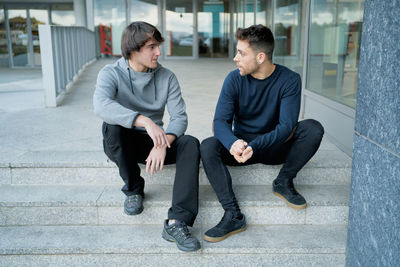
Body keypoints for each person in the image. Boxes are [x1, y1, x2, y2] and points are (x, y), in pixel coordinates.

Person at [200, 24, 324, 243]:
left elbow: (287, 127)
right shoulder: (234, 79)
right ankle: (233, 214)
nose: (235, 58)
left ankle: (284, 181)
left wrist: (254, 146)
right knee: (208, 145)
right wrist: (233, 143)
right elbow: (220, 121)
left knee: (313, 128)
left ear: (260, 57)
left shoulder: (289, 80)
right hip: (240, 150)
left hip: (274, 147)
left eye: (241, 53)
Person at [93, 21, 200, 252]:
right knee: (112, 127)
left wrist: (164, 142)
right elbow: (101, 105)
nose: (158, 52)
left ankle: (177, 221)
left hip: (156, 142)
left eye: (158, 46)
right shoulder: (111, 73)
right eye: (152, 47)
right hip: (125, 141)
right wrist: (144, 120)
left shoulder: (167, 77)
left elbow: (180, 117)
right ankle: (133, 189)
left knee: (190, 143)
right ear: (133, 49)